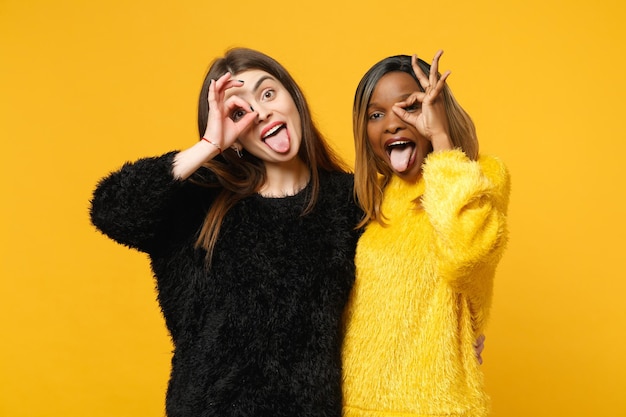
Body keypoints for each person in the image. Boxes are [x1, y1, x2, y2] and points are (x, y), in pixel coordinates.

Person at [90, 48, 362, 417]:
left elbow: (416, 265)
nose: (261, 111)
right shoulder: (200, 200)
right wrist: (208, 146)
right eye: (239, 111)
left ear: (294, 99)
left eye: (268, 93)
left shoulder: (349, 200)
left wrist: (472, 319)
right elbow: (111, 209)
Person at [341, 51, 510, 417]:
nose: (392, 123)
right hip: (355, 405)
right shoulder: (369, 201)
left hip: (437, 406)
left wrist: (440, 137)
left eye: (408, 107)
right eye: (375, 114)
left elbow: (469, 255)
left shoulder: (476, 179)